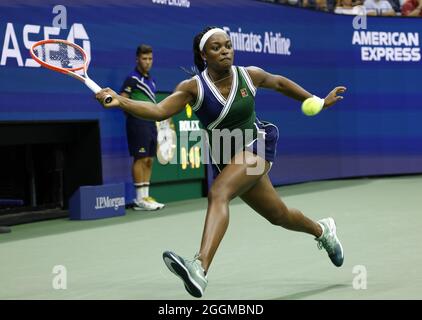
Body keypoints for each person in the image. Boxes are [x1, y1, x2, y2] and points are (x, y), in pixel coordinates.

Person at [97, 27, 346, 298]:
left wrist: (317, 100)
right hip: (227, 156)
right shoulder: (193, 87)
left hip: (257, 144)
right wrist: (121, 100)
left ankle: (199, 267)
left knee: (218, 192)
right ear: (204, 55)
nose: (225, 50)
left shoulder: (248, 75)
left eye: (228, 45)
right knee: (279, 215)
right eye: (216, 48)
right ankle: (323, 231)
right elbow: (159, 111)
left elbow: (280, 83)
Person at [120, 44, 164, 211]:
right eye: (144, 58)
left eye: (150, 59)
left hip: (151, 123)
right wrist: (133, 116)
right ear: (137, 59)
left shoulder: (151, 80)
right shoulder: (132, 79)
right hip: (137, 123)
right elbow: (122, 99)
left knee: (149, 160)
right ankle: (139, 199)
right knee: (140, 158)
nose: (147, 62)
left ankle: (146, 196)